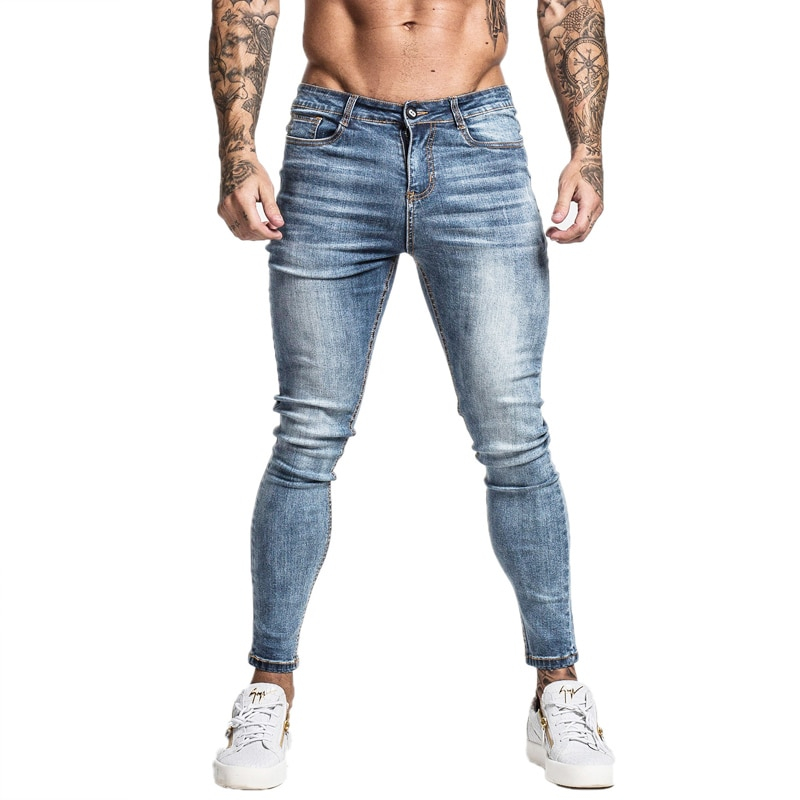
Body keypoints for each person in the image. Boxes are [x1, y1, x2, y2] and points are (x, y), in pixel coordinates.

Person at [209, 0, 612, 790]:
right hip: (333, 139)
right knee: (307, 436)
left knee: (514, 435)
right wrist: (236, 150)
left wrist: (588, 149)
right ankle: (269, 686)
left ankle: (558, 686)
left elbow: (568, 4)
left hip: (478, 142)